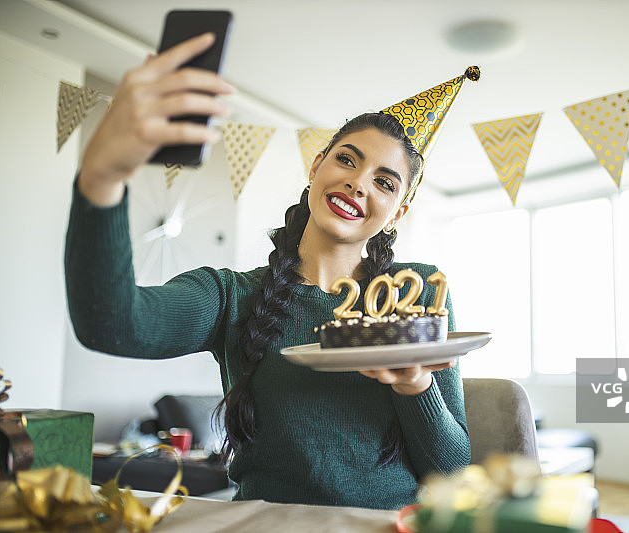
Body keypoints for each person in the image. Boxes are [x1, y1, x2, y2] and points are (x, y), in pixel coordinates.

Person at [66, 33, 475, 509]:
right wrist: (102, 177)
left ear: (398, 213)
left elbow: (454, 473)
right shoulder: (231, 297)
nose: (357, 183)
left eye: (384, 182)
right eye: (346, 159)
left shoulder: (418, 294)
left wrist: (415, 385)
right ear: (317, 165)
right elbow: (111, 324)